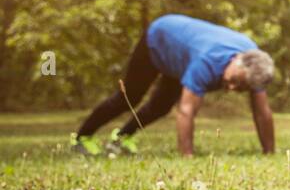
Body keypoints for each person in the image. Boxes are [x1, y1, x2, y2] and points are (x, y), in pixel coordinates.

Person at [72, 13, 275, 157]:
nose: (231, 88)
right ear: (238, 59)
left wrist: (269, 153)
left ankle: (122, 137)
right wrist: (187, 156)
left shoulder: (256, 65)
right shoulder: (206, 62)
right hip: (159, 39)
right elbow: (186, 111)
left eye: (240, 88)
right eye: (233, 81)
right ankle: (81, 138)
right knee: (128, 98)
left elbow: (262, 112)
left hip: (180, 58)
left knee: (160, 107)